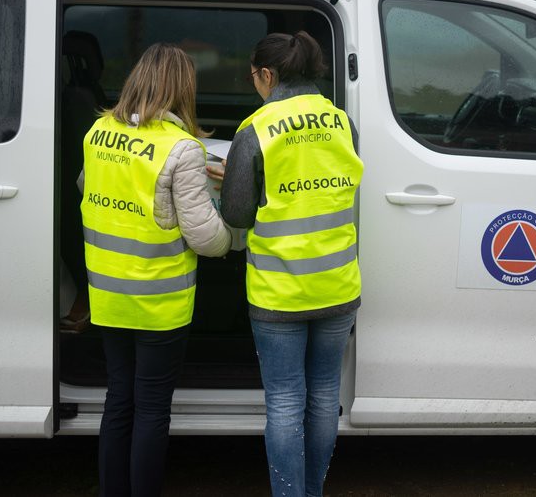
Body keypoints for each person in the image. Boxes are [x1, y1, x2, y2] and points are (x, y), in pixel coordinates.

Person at [213, 31, 363, 497]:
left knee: (283, 403)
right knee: (323, 400)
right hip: (337, 287)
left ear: (267, 74)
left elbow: (237, 215)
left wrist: (227, 180)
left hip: (279, 291)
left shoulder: (255, 129)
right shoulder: (342, 123)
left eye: (253, 75)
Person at [80, 44, 231, 496]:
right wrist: (236, 229)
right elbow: (204, 238)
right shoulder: (182, 148)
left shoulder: (97, 132)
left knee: (118, 401)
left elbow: (88, 191)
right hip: (159, 301)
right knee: (150, 409)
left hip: (107, 295)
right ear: (182, 87)